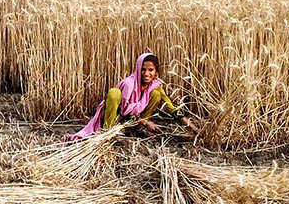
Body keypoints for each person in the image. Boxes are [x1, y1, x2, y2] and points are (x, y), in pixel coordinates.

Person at [69, 53, 198, 140]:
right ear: (137, 69)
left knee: (157, 95)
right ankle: (107, 134)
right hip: (116, 120)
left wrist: (191, 126)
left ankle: (133, 130)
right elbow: (124, 111)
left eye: (150, 70)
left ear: (156, 73)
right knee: (114, 93)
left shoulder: (155, 85)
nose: (146, 73)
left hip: (135, 123)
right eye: (143, 69)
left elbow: (170, 106)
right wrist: (146, 122)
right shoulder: (129, 84)